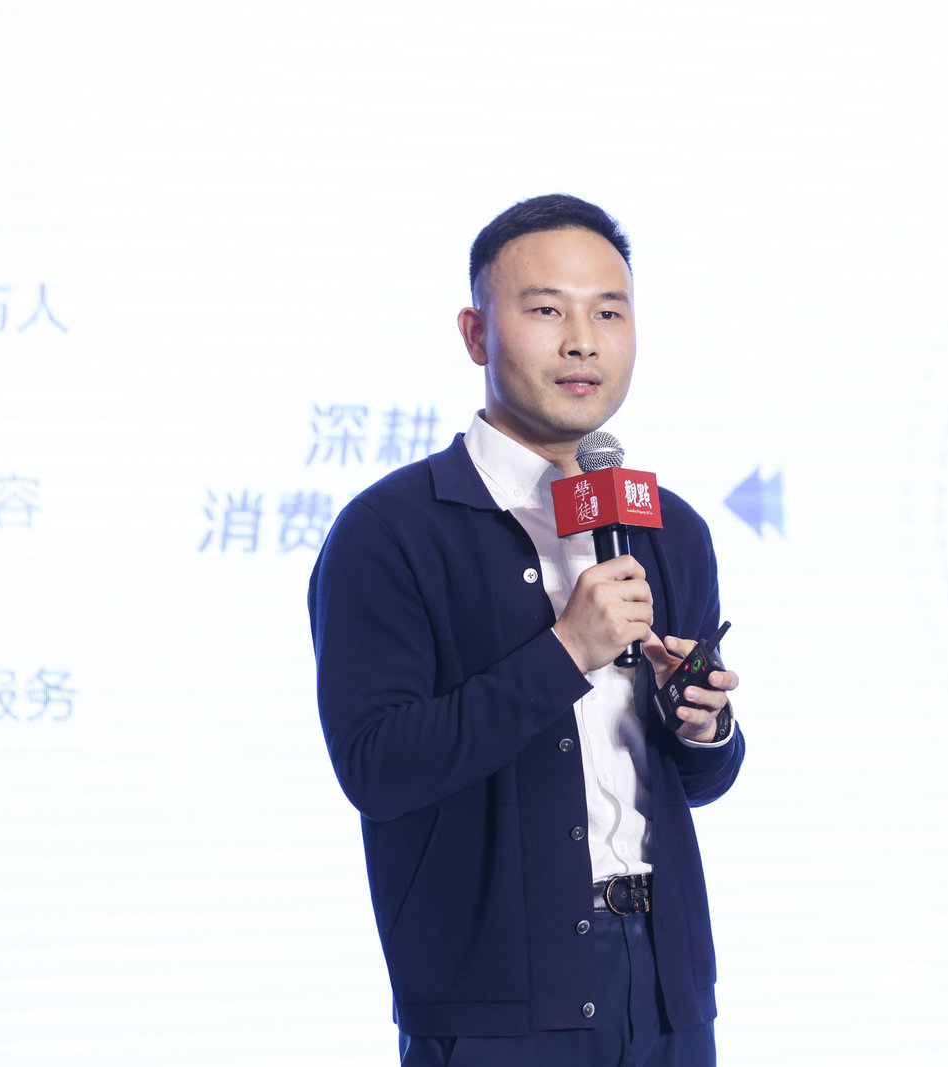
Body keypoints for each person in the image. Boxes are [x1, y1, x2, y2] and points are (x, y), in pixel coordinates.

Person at [308, 193, 745, 1066]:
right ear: (476, 334)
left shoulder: (669, 527)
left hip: (668, 985)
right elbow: (377, 768)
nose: (583, 340)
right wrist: (567, 651)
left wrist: (707, 726)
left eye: (609, 312)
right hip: (494, 1006)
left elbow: (697, 781)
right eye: (547, 310)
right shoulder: (391, 530)